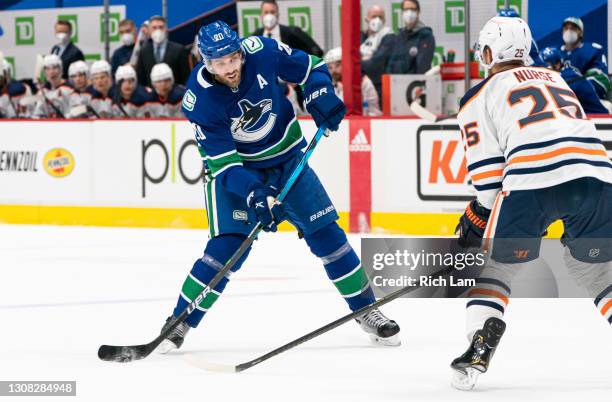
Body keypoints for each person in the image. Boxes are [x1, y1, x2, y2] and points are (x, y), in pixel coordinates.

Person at [157, 21, 401, 353]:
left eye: (233, 58)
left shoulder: (263, 51)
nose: (229, 68)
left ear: (240, 51)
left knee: (328, 235)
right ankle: (180, 320)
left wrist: (320, 93)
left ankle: (366, 310)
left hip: (288, 161)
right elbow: (225, 166)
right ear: (206, 62)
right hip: (239, 174)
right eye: (219, 63)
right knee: (227, 249)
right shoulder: (198, 100)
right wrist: (256, 193)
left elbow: (311, 67)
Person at [451, 16, 612, 391]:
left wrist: (478, 215)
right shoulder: (558, 80)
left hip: (532, 182)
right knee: (597, 273)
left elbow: (490, 182)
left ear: (489, 52)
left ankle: (479, 343)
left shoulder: (479, 95)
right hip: (598, 177)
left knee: (495, 270)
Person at [540, 47, 608, 114]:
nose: (541, 70)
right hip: (580, 117)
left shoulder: (568, 76)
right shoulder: (565, 73)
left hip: (598, 119)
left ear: (557, 64)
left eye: (546, 66)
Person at [560, 17, 609, 100]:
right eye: (566, 28)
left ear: (581, 33)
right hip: (557, 99)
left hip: (585, 100)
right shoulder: (553, 52)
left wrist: (571, 88)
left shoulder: (592, 50)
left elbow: (601, 82)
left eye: (573, 28)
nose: (569, 31)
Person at [252, 0, 323, 57]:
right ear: (261, 15)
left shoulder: (292, 32)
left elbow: (316, 51)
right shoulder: (255, 37)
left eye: (272, 12)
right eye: (266, 12)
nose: (269, 16)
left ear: (278, 15)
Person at [135, 15, 190, 87]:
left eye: (161, 27)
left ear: (166, 29)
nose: (158, 30)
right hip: (151, 96)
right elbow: (140, 79)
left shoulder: (179, 49)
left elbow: (186, 78)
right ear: (149, 30)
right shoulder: (144, 51)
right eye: (154, 28)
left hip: (174, 95)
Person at [325, 47, 381, 116]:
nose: (333, 71)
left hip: (365, 122)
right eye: (330, 67)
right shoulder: (330, 85)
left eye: (337, 65)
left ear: (346, 64)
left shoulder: (363, 82)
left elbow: (373, 113)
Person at [385, 0, 435, 74]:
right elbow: (391, 62)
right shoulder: (399, 36)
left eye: (413, 9)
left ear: (418, 12)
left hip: (414, 83)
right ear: (402, 13)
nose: (409, 13)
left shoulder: (426, 36)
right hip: (395, 82)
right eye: (406, 10)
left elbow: (422, 66)